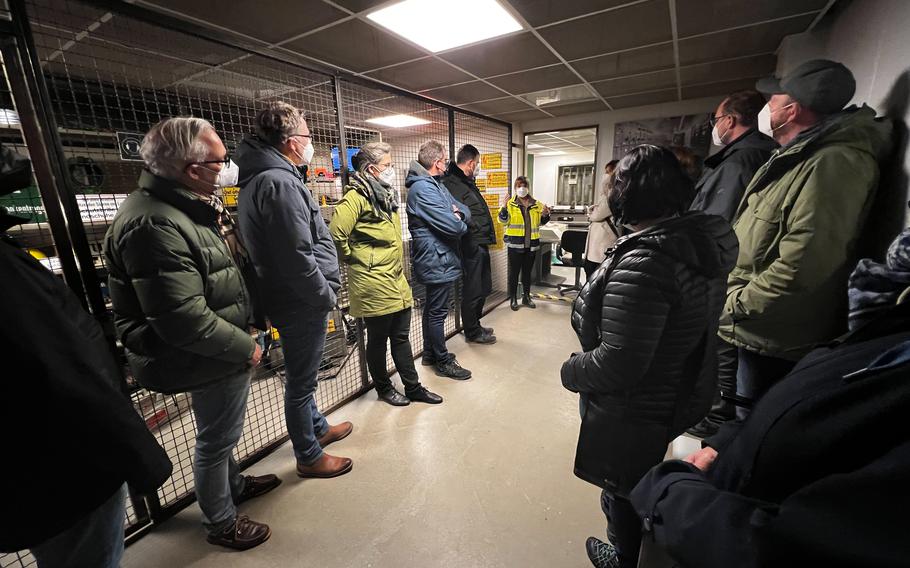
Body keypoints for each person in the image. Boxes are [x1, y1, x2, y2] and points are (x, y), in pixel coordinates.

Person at [630, 240, 910, 566]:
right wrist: (727, 442)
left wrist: (669, 492)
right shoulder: (887, 328)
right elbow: (796, 398)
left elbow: (794, 545)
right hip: (715, 497)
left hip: (707, 524)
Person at [104, 117, 280, 550]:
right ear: (190, 168)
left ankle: (233, 486)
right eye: (221, 162)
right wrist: (246, 347)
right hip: (205, 353)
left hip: (216, 347)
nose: (228, 168)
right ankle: (221, 521)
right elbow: (183, 319)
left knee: (220, 432)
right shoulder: (155, 224)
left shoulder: (183, 206)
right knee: (216, 440)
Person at [561, 145, 737, 568]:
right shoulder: (691, 241)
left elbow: (619, 361)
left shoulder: (647, 260)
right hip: (672, 388)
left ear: (627, 194)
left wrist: (572, 370)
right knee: (640, 479)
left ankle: (625, 558)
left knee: (622, 488)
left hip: (635, 403)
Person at [721, 59, 893, 417]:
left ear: (792, 109)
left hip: (775, 332)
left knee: (755, 424)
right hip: (758, 324)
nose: (767, 108)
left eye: (773, 100)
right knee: (740, 416)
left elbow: (806, 262)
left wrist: (737, 303)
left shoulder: (834, 163)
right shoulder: (799, 156)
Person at [1, 239, 172, 567]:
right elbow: (65, 370)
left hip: (36, 470)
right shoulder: (7, 271)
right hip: (63, 471)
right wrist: (137, 453)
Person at [236, 102, 354, 479]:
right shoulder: (279, 182)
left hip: (293, 296)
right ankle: (308, 453)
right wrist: (324, 294)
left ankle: (317, 427)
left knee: (306, 375)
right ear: (289, 141)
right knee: (301, 383)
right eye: (306, 135)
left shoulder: (271, 177)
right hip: (301, 300)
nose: (310, 142)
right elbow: (296, 256)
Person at [687, 90, 777, 439]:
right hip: (733, 271)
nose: (715, 126)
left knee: (721, 347)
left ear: (730, 120)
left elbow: (714, 224)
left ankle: (718, 415)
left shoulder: (739, 162)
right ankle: (722, 414)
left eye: (716, 119)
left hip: (720, 272)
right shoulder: (754, 156)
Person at [329, 142, 443, 407]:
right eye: (388, 166)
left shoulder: (384, 195)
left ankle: (413, 387)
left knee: (401, 336)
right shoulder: (355, 197)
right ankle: (383, 388)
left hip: (395, 277)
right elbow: (336, 233)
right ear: (371, 170)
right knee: (378, 340)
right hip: (372, 282)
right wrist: (356, 257)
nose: (392, 171)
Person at [406, 140, 473, 380]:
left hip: (440, 256)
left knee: (433, 309)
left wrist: (457, 214)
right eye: (445, 160)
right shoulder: (423, 189)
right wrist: (456, 217)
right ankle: (443, 360)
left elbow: (463, 209)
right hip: (436, 257)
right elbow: (454, 225)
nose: (447, 164)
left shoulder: (434, 184)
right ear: (437, 162)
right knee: (437, 312)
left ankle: (429, 354)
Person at [442, 144, 497, 345]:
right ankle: (472, 331)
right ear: (472, 163)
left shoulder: (466, 181)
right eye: (478, 163)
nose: (478, 167)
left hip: (480, 241)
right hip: (469, 243)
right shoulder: (451, 183)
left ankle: (476, 323)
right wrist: (473, 230)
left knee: (483, 286)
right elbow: (458, 215)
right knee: (473, 289)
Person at [498, 176, 551, 311]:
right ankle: (514, 298)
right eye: (519, 186)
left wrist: (545, 214)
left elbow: (541, 222)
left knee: (527, 273)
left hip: (531, 245)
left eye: (524, 186)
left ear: (528, 187)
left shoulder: (537, 204)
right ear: (516, 188)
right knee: (514, 273)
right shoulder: (509, 204)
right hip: (515, 245)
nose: (522, 189)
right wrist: (503, 207)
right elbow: (502, 221)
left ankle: (526, 297)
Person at [583, 160, 620, 280]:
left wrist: (591, 212)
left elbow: (596, 215)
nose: (605, 175)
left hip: (603, 248)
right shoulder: (608, 195)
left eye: (609, 172)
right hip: (597, 248)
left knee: (596, 279)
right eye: (606, 172)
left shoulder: (615, 195)